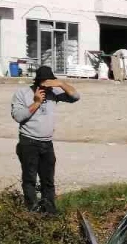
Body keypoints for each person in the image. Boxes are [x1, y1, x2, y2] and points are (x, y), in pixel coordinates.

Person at [10, 66, 80, 214]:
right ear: (37, 82)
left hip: (47, 143)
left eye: (50, 83)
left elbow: (75, 97)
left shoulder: (53, 92)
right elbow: (18, 117)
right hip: (28, 142)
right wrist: (36, 102)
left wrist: (61, 84)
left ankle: (49, 211)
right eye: (44, 84)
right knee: (29, 179)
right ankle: (32, 211)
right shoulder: (22, 93)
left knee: (48, 180)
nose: (46, 87)